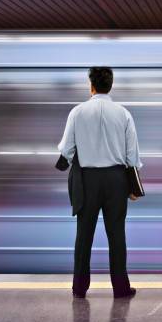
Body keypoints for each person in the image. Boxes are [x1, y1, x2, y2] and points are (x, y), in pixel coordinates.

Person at [58, 67, 142, 299]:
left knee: (84, 235)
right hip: (116, 180)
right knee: (117, 235)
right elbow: (132, 155)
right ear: (110, 85)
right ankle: (121, 287)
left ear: (91, 85)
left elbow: (66, 150)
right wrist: (133, 186)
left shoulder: (77, 112)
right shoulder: (123, 114)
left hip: (87, 180)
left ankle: (79, 287)